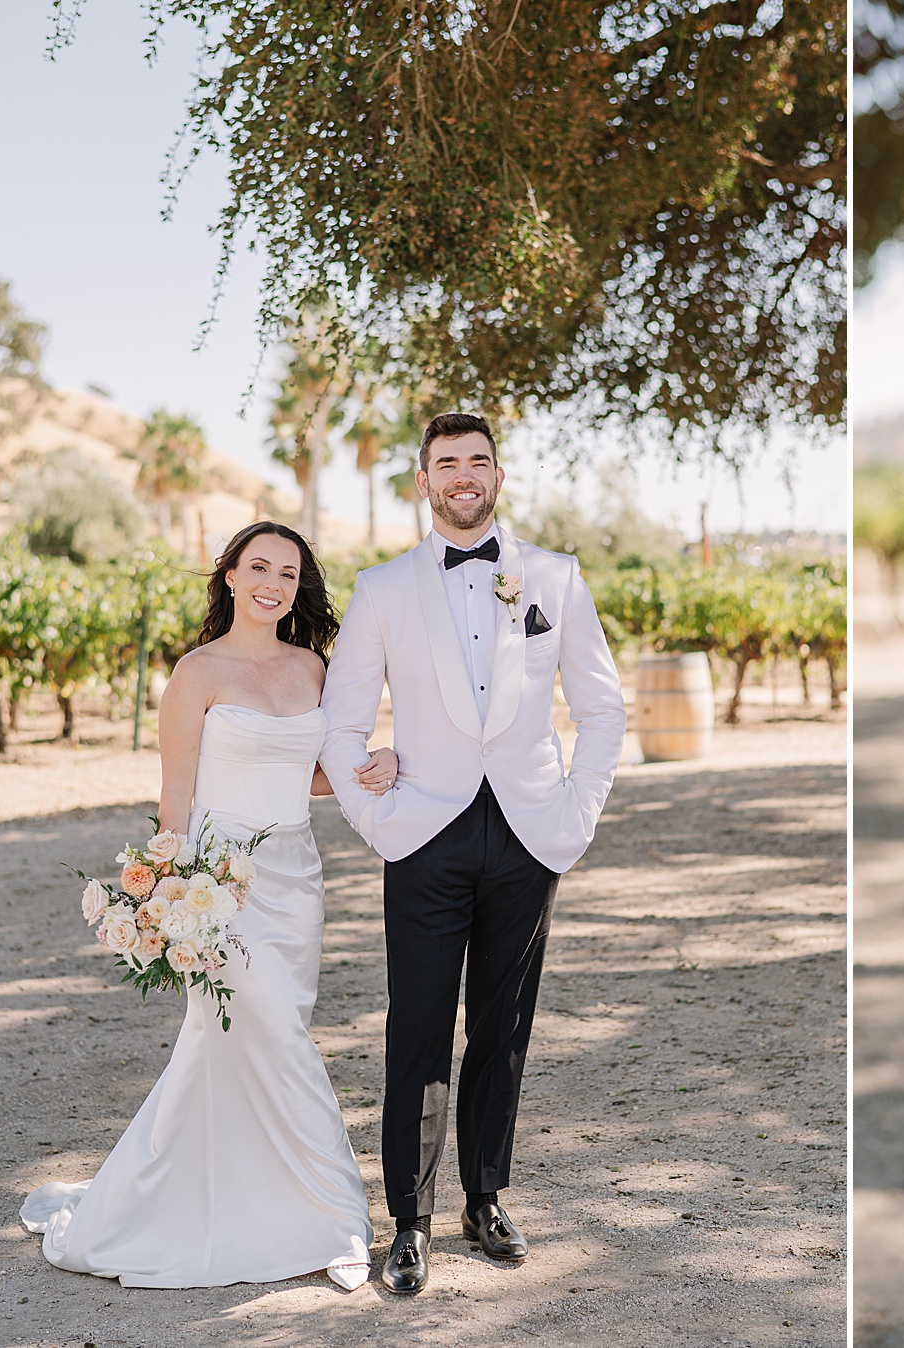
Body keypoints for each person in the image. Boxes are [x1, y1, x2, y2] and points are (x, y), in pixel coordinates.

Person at [20, 521, 397, 1289]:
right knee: (278, 1038)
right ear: (228, 576)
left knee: (248, 1040)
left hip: (299, 877)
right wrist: (168, 902)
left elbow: (315, 773)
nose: (274, 583)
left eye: (289, 574)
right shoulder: (196, 673)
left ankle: (254, 1197)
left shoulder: (312, 668)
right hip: (222, 885)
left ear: (299, 589)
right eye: (258, 566)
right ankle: (334, 1217)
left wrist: (380, 763)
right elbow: (176, 797)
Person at [319, 411, 627, 1295]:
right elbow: (342, 725)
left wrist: (576, 811)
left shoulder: (557, 579)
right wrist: (378, 822)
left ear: (498, 475)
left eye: (478, 461)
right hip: (423, 833)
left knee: (505, 1027)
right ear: (422, 481)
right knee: (417, 1025)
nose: (464, 475)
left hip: (531, 833)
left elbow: (602, 710)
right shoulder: (381, 590)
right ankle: (408, 1220)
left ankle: (484, 1195)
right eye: (446, 462)